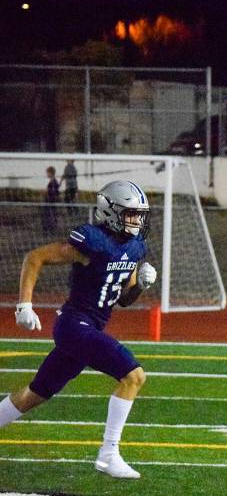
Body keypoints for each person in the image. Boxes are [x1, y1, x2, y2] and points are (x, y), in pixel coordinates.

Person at [0, 180, 157, 479]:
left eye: (139, 214)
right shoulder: (92, 241)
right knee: (134, 376)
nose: (137, 220)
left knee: (36, 393)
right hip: (74, 325)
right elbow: (35, 257)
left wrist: (142, 285)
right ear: (111, 211)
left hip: (90, 326)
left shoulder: (136, 247)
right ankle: (108, 455)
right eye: (131, 213)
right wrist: (24, 304)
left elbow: (123, 299)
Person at [43, 166, 59, 233]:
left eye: (48, 173)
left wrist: (47, 192)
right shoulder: (53, 181)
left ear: (51, 173)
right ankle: (49, 227)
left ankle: (50, 228)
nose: (47, 174)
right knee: (49, 214)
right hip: (49, 200)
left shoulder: (53, 182)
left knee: (50, 214)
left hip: (50, 200)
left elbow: (54, 192)